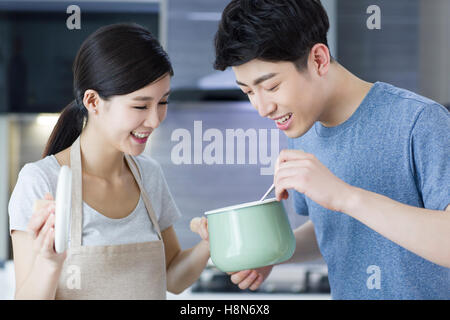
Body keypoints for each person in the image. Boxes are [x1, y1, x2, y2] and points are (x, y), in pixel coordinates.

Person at [213, 0, 450, 299]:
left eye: (271, 87)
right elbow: (334, 229)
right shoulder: (302, 129)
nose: (262, 108)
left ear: (319, 60)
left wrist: (344, 196)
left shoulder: (420, 121)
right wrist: (271, 253)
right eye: (248, 91)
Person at [8, 23, 209, 300]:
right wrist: (49, 262)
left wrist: (211, 243)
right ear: (93, 101)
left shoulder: (149, 175)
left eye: (163, 102)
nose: (154, 120)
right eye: (140, 106)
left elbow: (173, 277)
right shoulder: (41, 182)